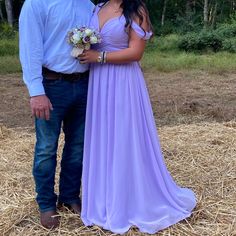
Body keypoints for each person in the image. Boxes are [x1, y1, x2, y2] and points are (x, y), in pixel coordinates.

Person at [79, 0, 197, 234]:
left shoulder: (136, 9)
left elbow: (136, 52)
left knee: (124, 136)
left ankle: (129, 201)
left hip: (123, 82)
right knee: (103, 137)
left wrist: (98, 57)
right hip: (99, 84)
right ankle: (103, 200)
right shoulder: (97, 7)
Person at [19, 0, 94, 229]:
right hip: (51, 86)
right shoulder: (36, 3)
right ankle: (46, 204)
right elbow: (30, 47)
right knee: (46, 148)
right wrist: (36, 91)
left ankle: (70, 196)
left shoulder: (88, 5)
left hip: (84, 85)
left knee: (78, 147)